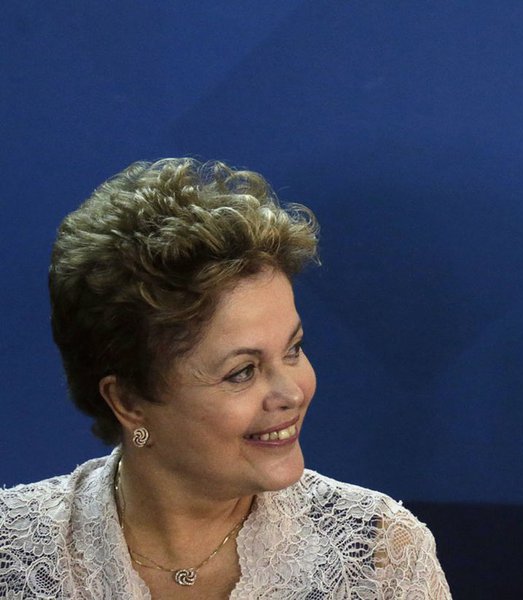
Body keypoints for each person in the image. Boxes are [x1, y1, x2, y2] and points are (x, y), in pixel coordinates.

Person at [0, 159, 452, 599]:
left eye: (292, 349)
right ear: (128, 401)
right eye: (243, 372)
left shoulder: (378, 556)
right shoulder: (12, 553)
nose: (291, 392)